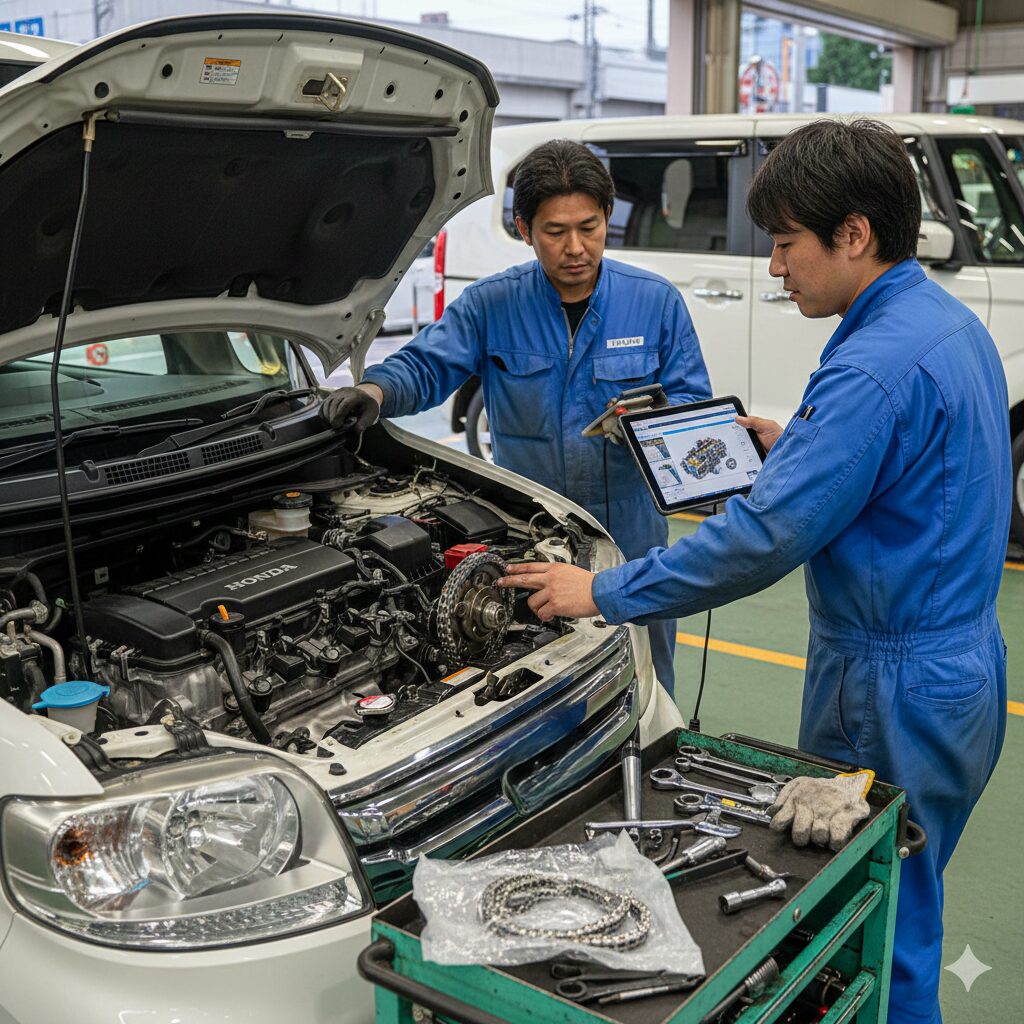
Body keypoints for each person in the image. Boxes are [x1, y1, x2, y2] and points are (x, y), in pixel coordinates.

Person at [497, 119, 1010, 1024]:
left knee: (875, 926)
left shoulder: (870, 367)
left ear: (853, 234)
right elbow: (898, 468)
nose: (774, 268)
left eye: (784, 245)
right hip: (959, 666)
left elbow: (760, 541)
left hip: (888, 687)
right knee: (909, 896)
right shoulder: (941, 323)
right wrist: (801, 448)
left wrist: (602, 591)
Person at [321, 139, 711, 696]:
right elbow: (426, 366)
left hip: (630, 541)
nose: (575, 248)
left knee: (645, 677)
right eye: (555, 232)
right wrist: (374, 392)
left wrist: (657, 425)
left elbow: (694, 410)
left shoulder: (655, 302)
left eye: (590, 227)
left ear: (608, 218)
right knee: (536, 675)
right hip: (532, 534)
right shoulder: (492, 304)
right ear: (525, 229)